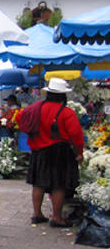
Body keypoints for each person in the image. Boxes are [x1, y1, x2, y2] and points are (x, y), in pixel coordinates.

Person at [26, 78, 84, 227]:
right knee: (59, 184)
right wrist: (79, 152)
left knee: (38, 183)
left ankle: (37, 214)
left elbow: (21, 118)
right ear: (63, 95)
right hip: (60, 151)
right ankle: (57, 218)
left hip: (39, 150)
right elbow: (76, 135)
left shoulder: (36, 108)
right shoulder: (66, 112)